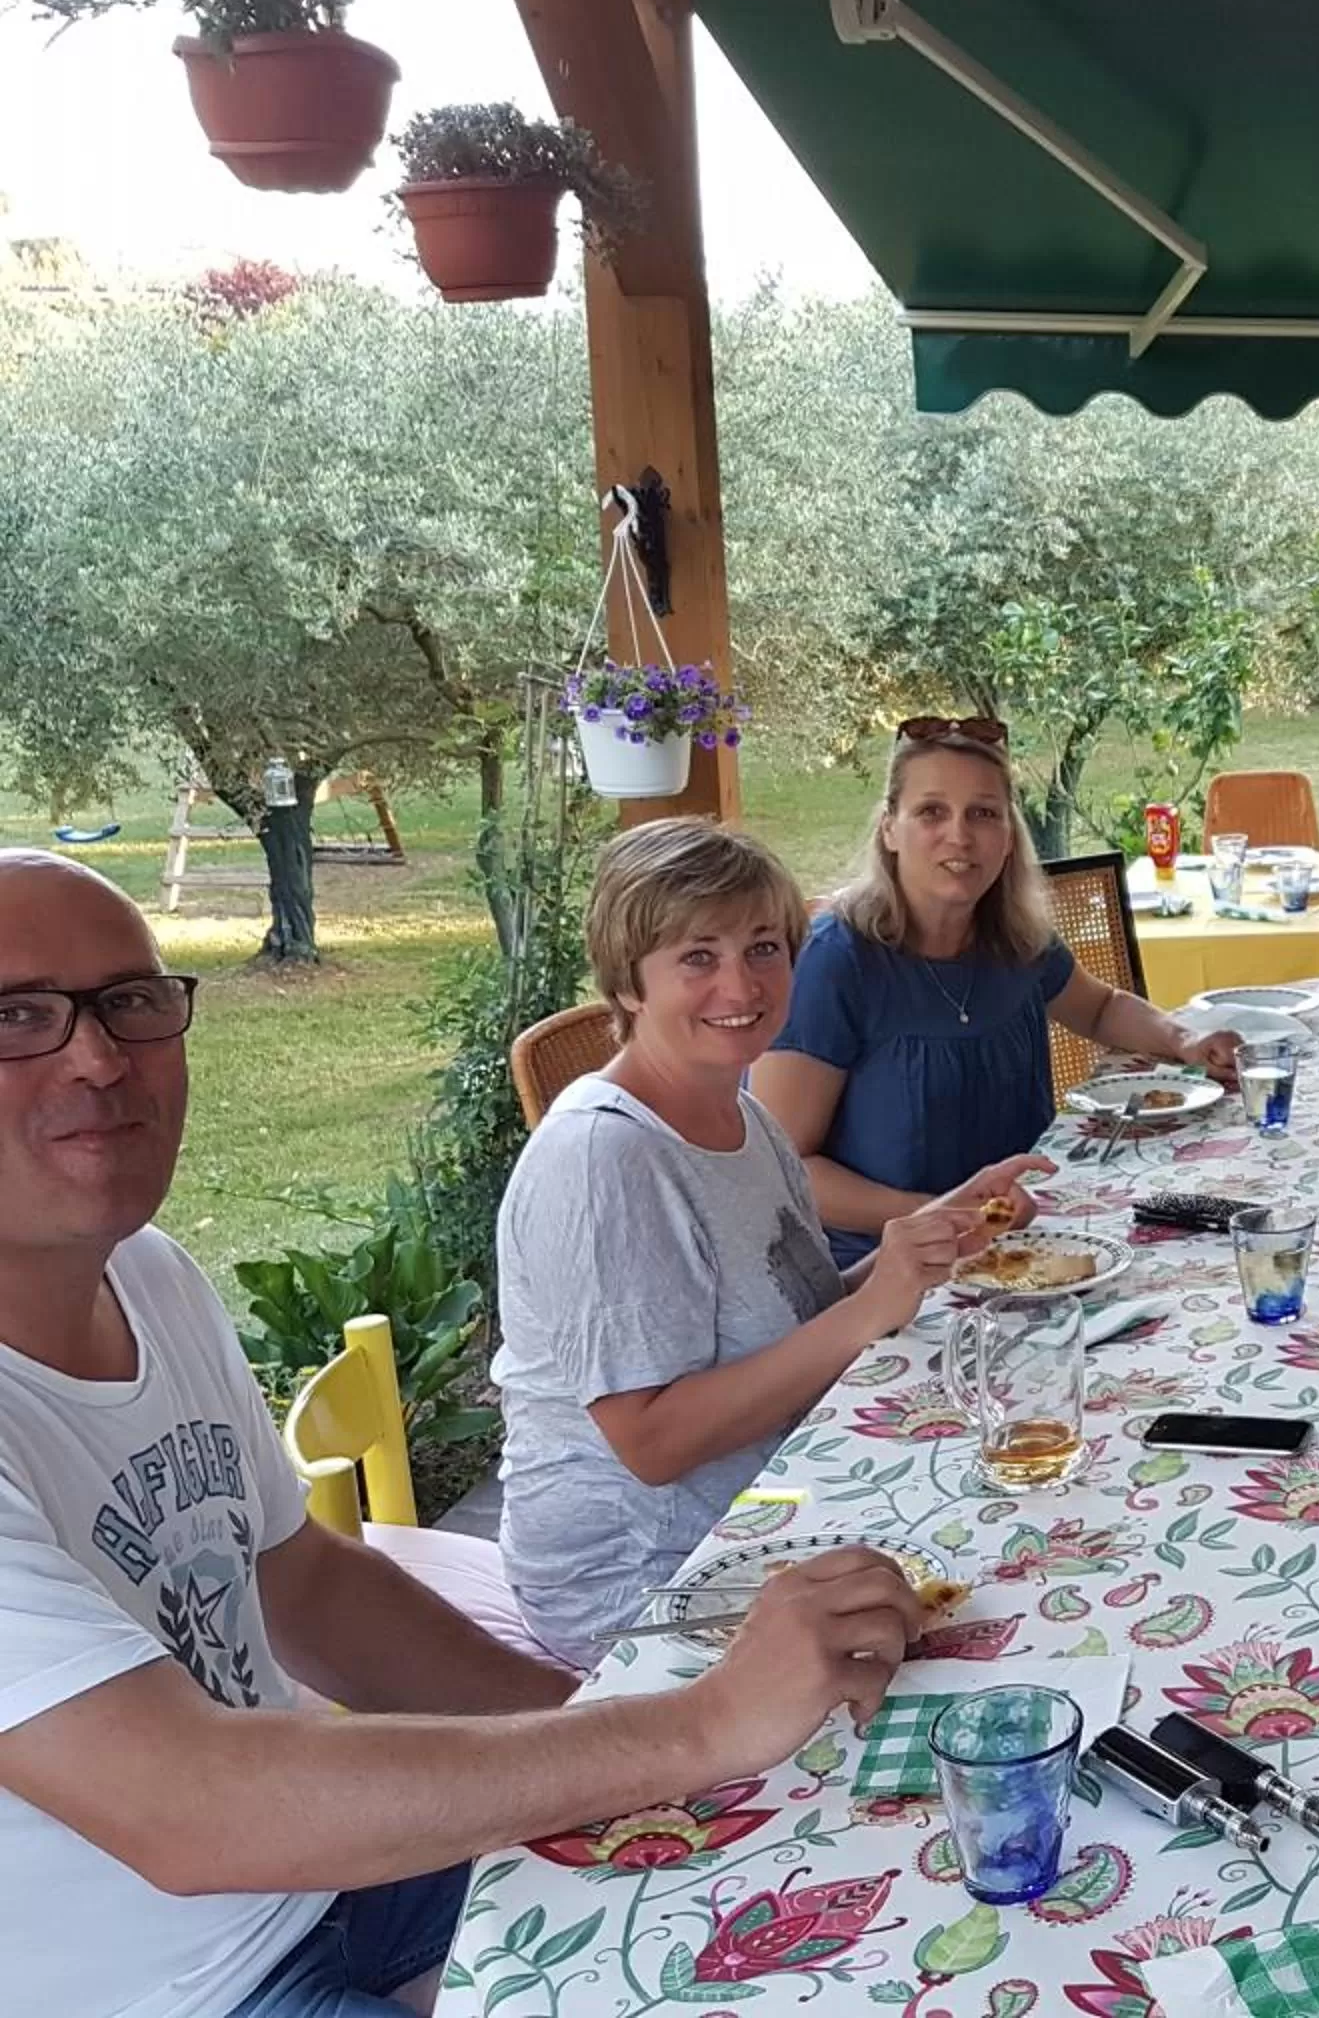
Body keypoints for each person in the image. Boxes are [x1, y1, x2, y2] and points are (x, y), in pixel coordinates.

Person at [0, 851, 924, 2018]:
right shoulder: (604, 1150)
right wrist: (694, 1724)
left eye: (129, 1001)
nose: (96, 1057)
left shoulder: (149, 1276)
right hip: (167, 1983)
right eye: (18, 1015)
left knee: (813, 1892)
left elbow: (316, 1590)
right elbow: (188, 1810)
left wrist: (606, 1736)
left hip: (332, 1876)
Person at [498, 817, 1038, 1663]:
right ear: (628, 983)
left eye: (762, 948)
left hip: (779, 1507)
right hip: (645, 1583)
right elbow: (652, 1443)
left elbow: (801, 1318)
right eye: (697, 957)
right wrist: (867, 1316)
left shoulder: (741, 1111)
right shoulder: (605, 1159)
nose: (741, 985)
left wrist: (923, 1244)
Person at [753, 717, 1240, 1267]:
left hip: (1022, 1247)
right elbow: (786, 1169)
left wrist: (1186, 1039)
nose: (959, 835)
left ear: (1008, 838)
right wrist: (948, 1215)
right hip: (883, 1274)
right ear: (889, 828)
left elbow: (1101, 1009)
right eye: (931, 811)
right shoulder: (837, 959)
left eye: (983, 814)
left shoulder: (1013, 937)